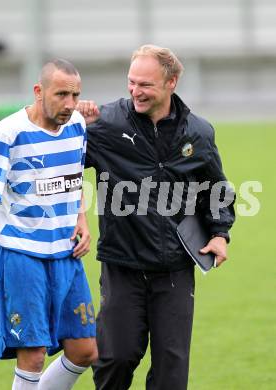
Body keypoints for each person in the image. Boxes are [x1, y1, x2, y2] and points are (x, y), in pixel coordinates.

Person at [77, 45, 236, 390]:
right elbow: (61, 160)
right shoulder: (104, 124)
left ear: (171, 82)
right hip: (123, 265)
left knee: (171, 374)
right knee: (115, 360)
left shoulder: (198, 132)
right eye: (131, 83)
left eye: (145, 85)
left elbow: (216, 191)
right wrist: (68, 115)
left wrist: (220, 233)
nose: (136, 91)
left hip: (175, 269)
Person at [0, 59, 98, 390]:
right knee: (34, 354)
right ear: (39, 92)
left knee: (84, 351)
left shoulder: (77, 124)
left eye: (75, 95)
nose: (69, 103)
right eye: (61, 94)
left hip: (66, 255)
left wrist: (81, 219)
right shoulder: (9, 133)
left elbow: (73, 179)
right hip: (21, 257)